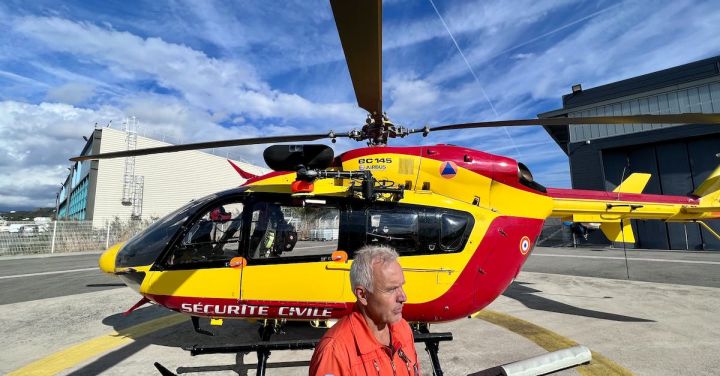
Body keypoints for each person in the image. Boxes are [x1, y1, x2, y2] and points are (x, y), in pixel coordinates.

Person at [309, 245, 420, 375]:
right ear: (362, 295)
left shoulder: (403, 329)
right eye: (391, 289)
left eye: (401, 286)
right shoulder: (335, 352)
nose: (403, 297)